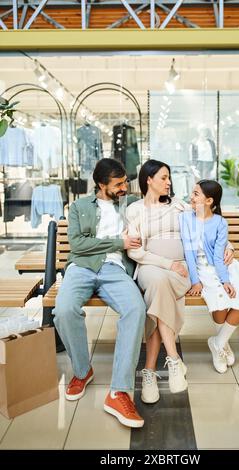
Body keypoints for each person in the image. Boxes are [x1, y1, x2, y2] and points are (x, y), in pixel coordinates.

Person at [126, 160, 234, 404]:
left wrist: (230, 245)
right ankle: (173, 359)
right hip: (151, 267)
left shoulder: (179, 206)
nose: (169, 182)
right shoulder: (134, 210)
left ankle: (150, 372)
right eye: (164, 178)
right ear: (148, 180)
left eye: (169, 177)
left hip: (184, 269)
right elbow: (134, 251)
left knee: (158, 294)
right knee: (158, 284)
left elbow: (209, 222)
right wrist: (167, 264)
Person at [52, 158, 146, 428]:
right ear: (101, 184)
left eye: (125, 182)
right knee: (65, 309)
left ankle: (118, 391)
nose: (123, 187)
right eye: (117, 184)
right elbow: (77, 245)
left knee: (136, 309)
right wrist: (119, 241)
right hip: (81, 268)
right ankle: (82, 371)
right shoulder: (80, 207)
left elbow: (157, 209)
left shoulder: (129, 205)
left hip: (114, 268)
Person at [179, 179, 239, 374]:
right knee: (219, 301)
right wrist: (195, 280)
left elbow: (218, 254)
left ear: (209, 200)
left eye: (196, 194)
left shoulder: (220, 222)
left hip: (225, 267)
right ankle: (221, 345)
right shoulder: (185, 218)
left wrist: (225, 280)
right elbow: (189, 253)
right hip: (201, 270)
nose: (191, 196)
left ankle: (218, 342)